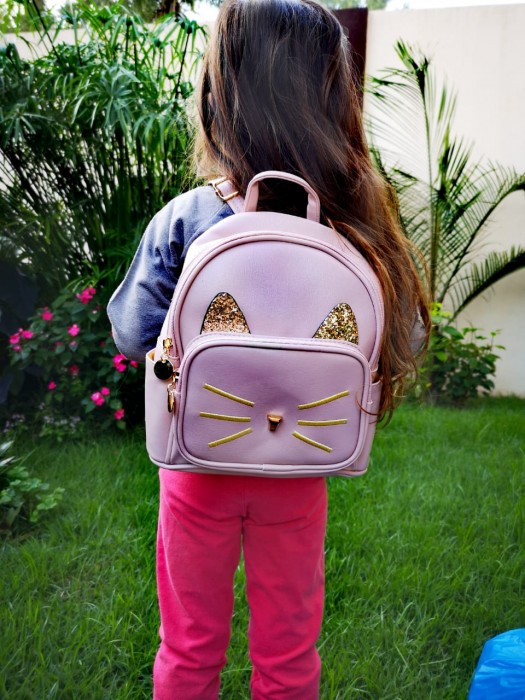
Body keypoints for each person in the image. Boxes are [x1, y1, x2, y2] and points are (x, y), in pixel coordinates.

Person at [107, 0, 430, 697]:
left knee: (188, 646)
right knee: (288, 652)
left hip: (196, 460)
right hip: (301, 463)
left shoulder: (188, 218)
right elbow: (407, 336)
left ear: (219, 95)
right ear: (333, 99)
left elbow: (132, 332)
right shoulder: (356, 219)